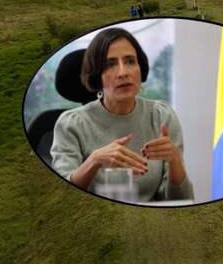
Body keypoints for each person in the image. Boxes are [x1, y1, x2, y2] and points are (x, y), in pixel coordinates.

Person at [50, 27, 193, 203]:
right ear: (97, 76)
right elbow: (61, 201)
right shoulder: (71, 124)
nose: (123, 72)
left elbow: (180, 203)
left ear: (141, 70)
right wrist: (94, 161)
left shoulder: (161, 116)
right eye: (110, 64)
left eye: (130, 61)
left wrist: (175, 161)